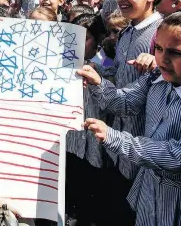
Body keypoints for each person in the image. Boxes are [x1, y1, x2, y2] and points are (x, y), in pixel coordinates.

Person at [79, 10, 181, 226]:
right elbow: (125, 103)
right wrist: (98, 82)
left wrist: (114, 137)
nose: (163, 59)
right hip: (149, 196)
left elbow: (179, 156)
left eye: (177, 53)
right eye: (158, 48)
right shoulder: (157, 76)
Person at [95, 0, 163, 225]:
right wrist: (94, 72)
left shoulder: (163, 33)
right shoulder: (125, 33)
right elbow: (114, 70)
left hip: (147, 144)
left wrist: (159, 61)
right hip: (118, 135)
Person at [65, 13, 109, 226]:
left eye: (87, 37)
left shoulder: (105, 73)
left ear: (99, 41)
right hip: (64, 146)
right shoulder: (56, 69)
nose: (79, 43)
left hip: (92, 148)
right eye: (74, 36)